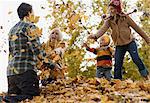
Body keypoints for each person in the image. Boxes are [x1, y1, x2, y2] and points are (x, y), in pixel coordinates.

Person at [4, 3, 57, 102]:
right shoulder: (30, 27)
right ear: (29, 13)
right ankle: (5, 98)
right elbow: (38, 51)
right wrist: (51, 65)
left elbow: (10, 53)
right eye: (33, 12)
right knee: (32, 97)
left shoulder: (12, 30)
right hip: (25, 71)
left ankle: (7, 98)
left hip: (11, 72)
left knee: (15, 99)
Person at [88, 0, 150, 80]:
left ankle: (145, 76)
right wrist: (95, 36)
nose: (111, 11)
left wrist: (148, 40)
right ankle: (117, 81)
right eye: (110, 9)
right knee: (117, 64)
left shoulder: (125, 18)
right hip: (119, 45)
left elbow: (138, 29)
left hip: (130, 43)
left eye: (113, 9)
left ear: (118, 9)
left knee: (136, 58)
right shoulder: (109, 21)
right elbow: (102, 29)